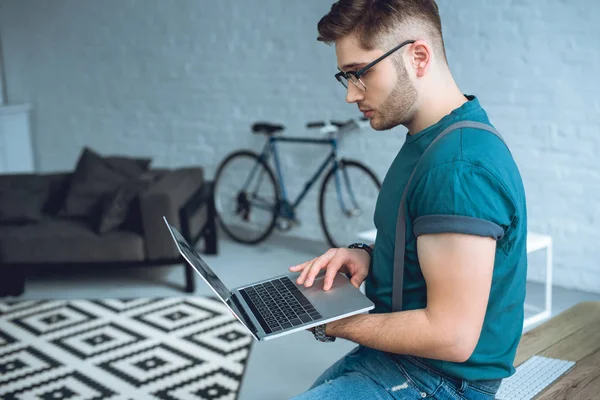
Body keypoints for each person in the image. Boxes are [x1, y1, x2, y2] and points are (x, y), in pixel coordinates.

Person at [289, 1, 528, 399]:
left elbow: (452, 337)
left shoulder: (457, 167)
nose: (351, 94)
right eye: (345, 77)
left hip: (440, 381)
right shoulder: (432, 139)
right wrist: (366, 255)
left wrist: (332, 319)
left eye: (360, 74)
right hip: (399, 359)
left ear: (418, 56)